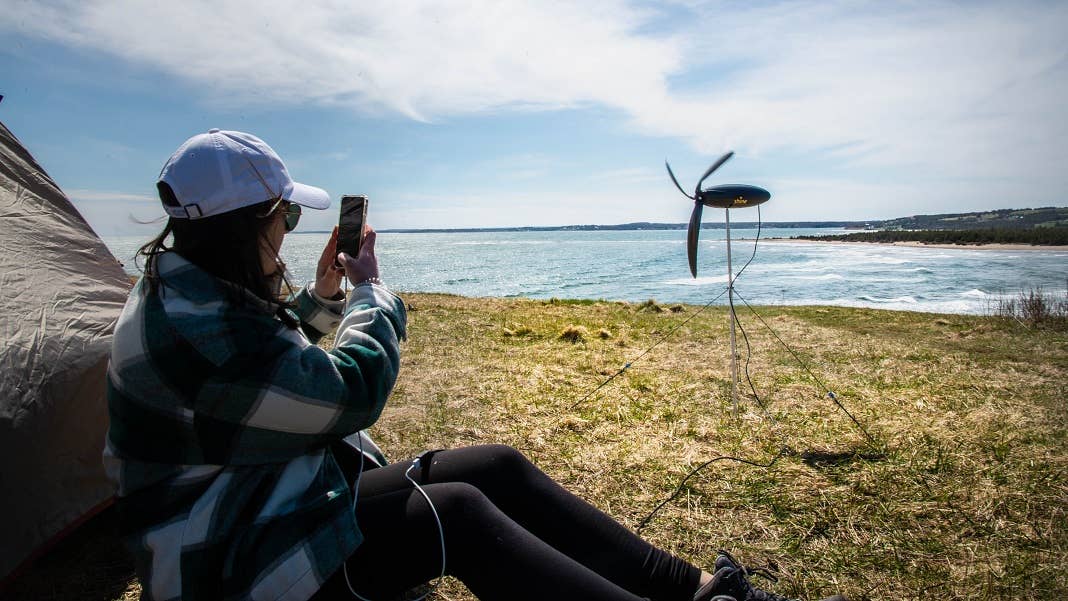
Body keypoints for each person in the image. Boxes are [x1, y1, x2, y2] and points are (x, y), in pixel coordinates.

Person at [105, 129, 846, 601]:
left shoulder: (185, 290)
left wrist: (321, 297)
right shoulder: (196, 331)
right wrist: (371, 292)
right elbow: (348, 391)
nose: (290, 227)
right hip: (229, 560)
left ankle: (697, 590)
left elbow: (259, 377)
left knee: (489, 465)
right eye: (285, 215)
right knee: (451, 515)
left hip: (266, 496)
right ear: (247, 224)